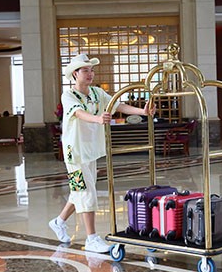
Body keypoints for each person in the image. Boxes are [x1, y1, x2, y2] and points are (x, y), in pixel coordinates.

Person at [48, 53, 156, 253]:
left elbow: (117, 105)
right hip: (75, 153)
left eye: (91, 70)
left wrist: (142, 112)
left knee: (79, 190)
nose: (90, 74)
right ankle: (91, 238)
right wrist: (98, 119)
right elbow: (78, 113)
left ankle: (58, 222)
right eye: (85, 70)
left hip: (90, 150)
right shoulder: (68, 95)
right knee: (86, 192)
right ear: (75, 73)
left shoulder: (97, 92)